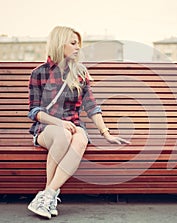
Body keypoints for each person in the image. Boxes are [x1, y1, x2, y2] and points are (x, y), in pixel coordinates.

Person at [27, 26, 129, 219]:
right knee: (62, 134)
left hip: (74, 125)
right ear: (60, 44)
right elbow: (34, 112)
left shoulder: (81, 73)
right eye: (73, 43)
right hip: (46, 128)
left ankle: (47, 195)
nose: (77, 48)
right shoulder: (39, 73)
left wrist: (106, 133)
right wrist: (58, 122)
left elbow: (91, 106)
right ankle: (48, 197)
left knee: (80, 139)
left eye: (79, 44)